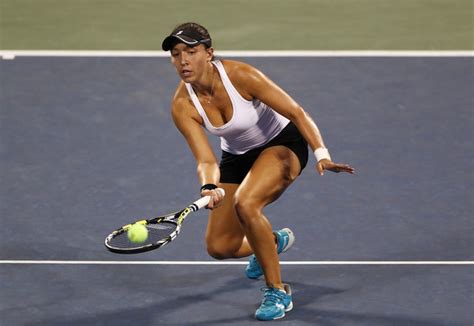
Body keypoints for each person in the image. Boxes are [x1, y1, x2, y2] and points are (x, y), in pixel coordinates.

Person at [161, 22, 354, 321]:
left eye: (191, 51)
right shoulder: (181, 104)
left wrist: (322, 153)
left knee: (247, 204)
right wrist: (209, 187)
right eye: (175, 54)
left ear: (209, 53)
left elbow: (296, 111)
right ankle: (270, 242)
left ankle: (277, 290)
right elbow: (206, 160)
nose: (183, 60)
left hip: (282, 145)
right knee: (220, 247)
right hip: (237, 157)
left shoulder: (240, 75)